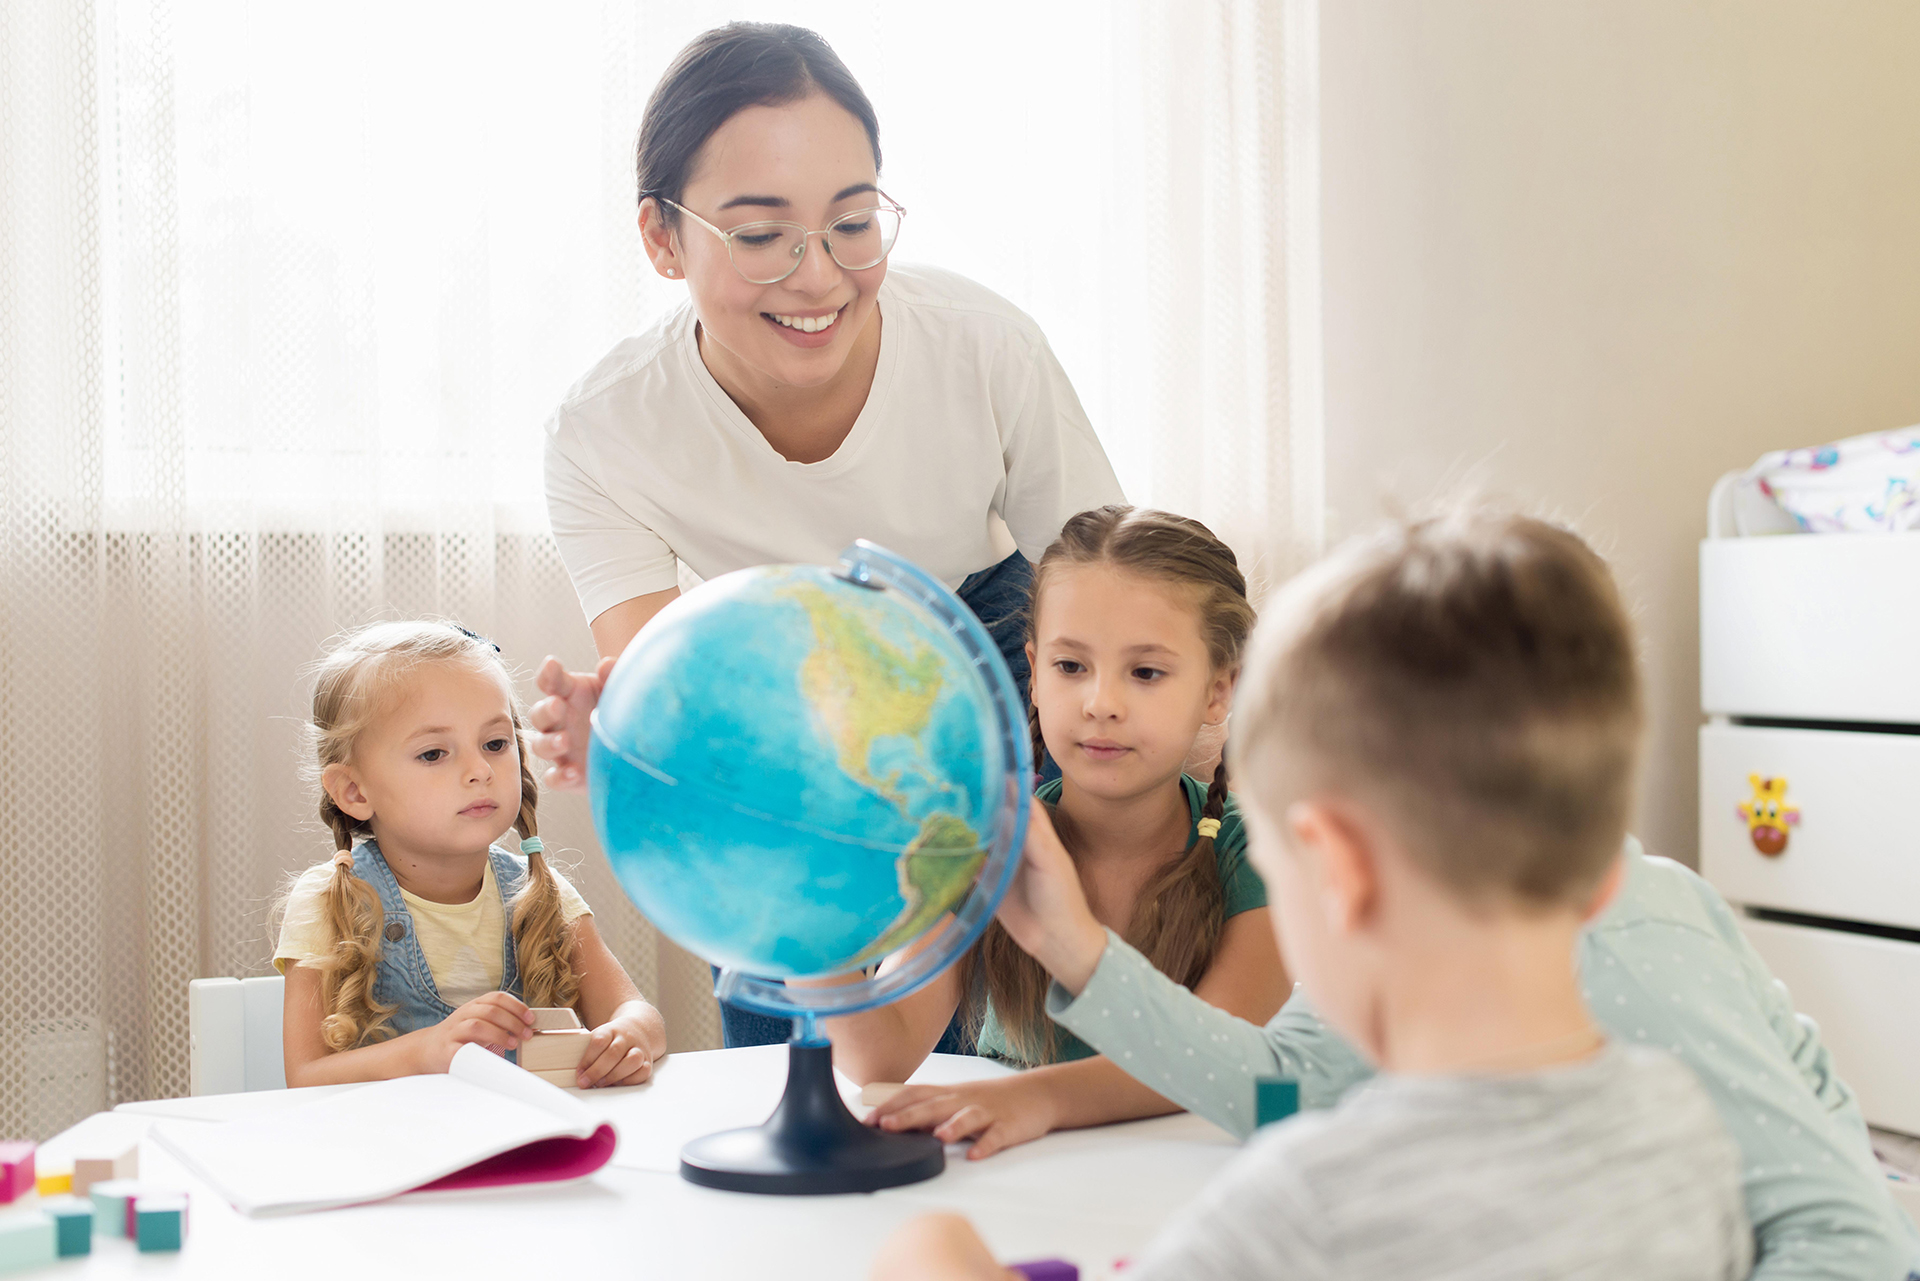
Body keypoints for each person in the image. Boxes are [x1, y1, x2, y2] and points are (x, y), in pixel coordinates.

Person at [874, 510, 1756, 1280]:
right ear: (1604, 876)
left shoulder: (1314, 1198)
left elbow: (1269, 1091)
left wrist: (928, 1248)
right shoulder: (1687, 1130)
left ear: (1337, 874)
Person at [530, 21, 1124, 1047]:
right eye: (760, 236)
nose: (818, 278)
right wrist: (625, 724)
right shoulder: (603, 430)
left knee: (1023, 1019)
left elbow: (1113, 591)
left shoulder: (983, 347)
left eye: (852, 223)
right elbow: (669, 683)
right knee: (799, 1004)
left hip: (999, 635)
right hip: (770, 677)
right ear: (662, 240)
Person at [828, 506, 1289, 1159]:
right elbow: (879, 1052)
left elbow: (1217, 1055)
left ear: (1220, 690)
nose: (1101, 701)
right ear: (1034, 672)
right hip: (1020, 1175)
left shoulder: (1259, 854)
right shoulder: (987, 842)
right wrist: (802, 922)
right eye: (1072, 666)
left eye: (1146, 672)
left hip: (1191, 1181)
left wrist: (1037, 1098)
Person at [275, 622, 667, 1088]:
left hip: (528, 1142)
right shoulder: (329, 900)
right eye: (434, 753)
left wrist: (626, 1037)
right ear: (355, 791)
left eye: (496, 744)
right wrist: (429, 1051)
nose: (480, 770)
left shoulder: (541, 893)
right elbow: (306, 1076)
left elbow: (640, 1015)